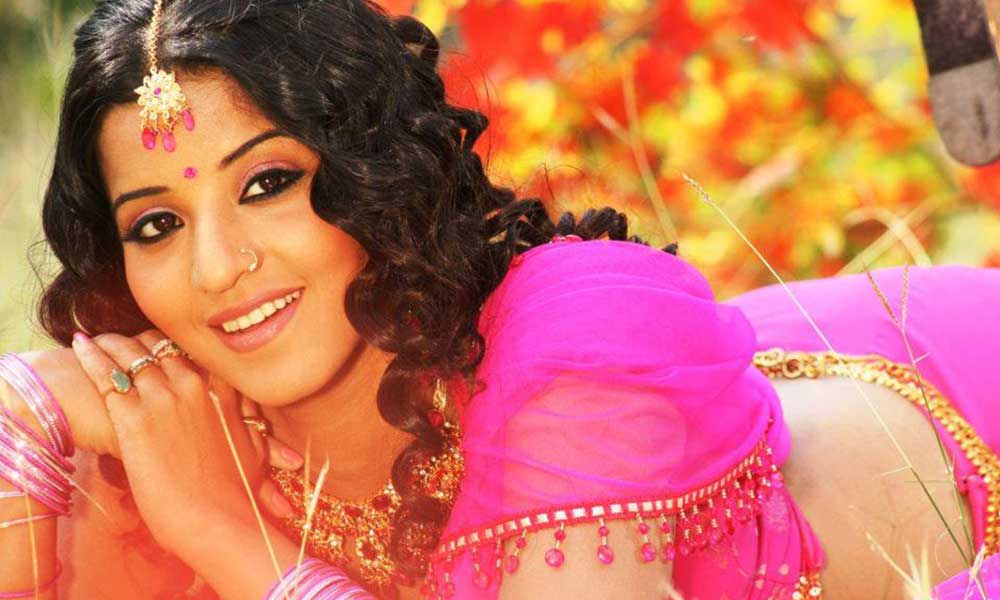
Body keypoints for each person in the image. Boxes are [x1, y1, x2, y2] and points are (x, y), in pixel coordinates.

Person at [0, 1, 997, 598]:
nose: (216, 268)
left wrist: (232, 537)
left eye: (269, 183)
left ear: (374, 172)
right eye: (156, 226)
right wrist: (38, 406)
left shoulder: (576, 344)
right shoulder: (188, 426)